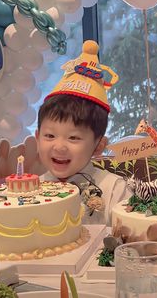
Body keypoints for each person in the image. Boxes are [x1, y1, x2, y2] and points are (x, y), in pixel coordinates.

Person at [36, 40, 130, 225]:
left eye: (73, 137)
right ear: (37, 138)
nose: (59, 146)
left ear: (98, 146)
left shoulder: (115, 190)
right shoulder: (26, 191)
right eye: (49, 136)